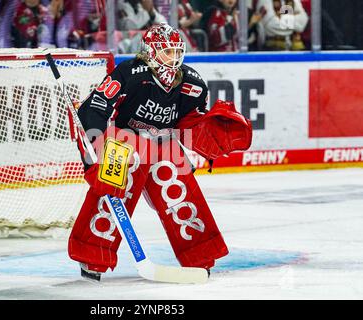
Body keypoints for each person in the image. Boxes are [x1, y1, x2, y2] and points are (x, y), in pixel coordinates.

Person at [68, 23, 252, 281]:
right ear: (151, 52)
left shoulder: (193, 84)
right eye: (167, 52)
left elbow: (188, 121)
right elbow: (95, 108)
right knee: (114, 187)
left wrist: (207, 127)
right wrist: (94, 154)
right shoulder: (129, 73)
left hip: (164, 144)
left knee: (178, 188)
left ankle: (200, 255)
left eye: (177, 52)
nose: (174, 59)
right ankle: (92, 256)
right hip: (125, 140)